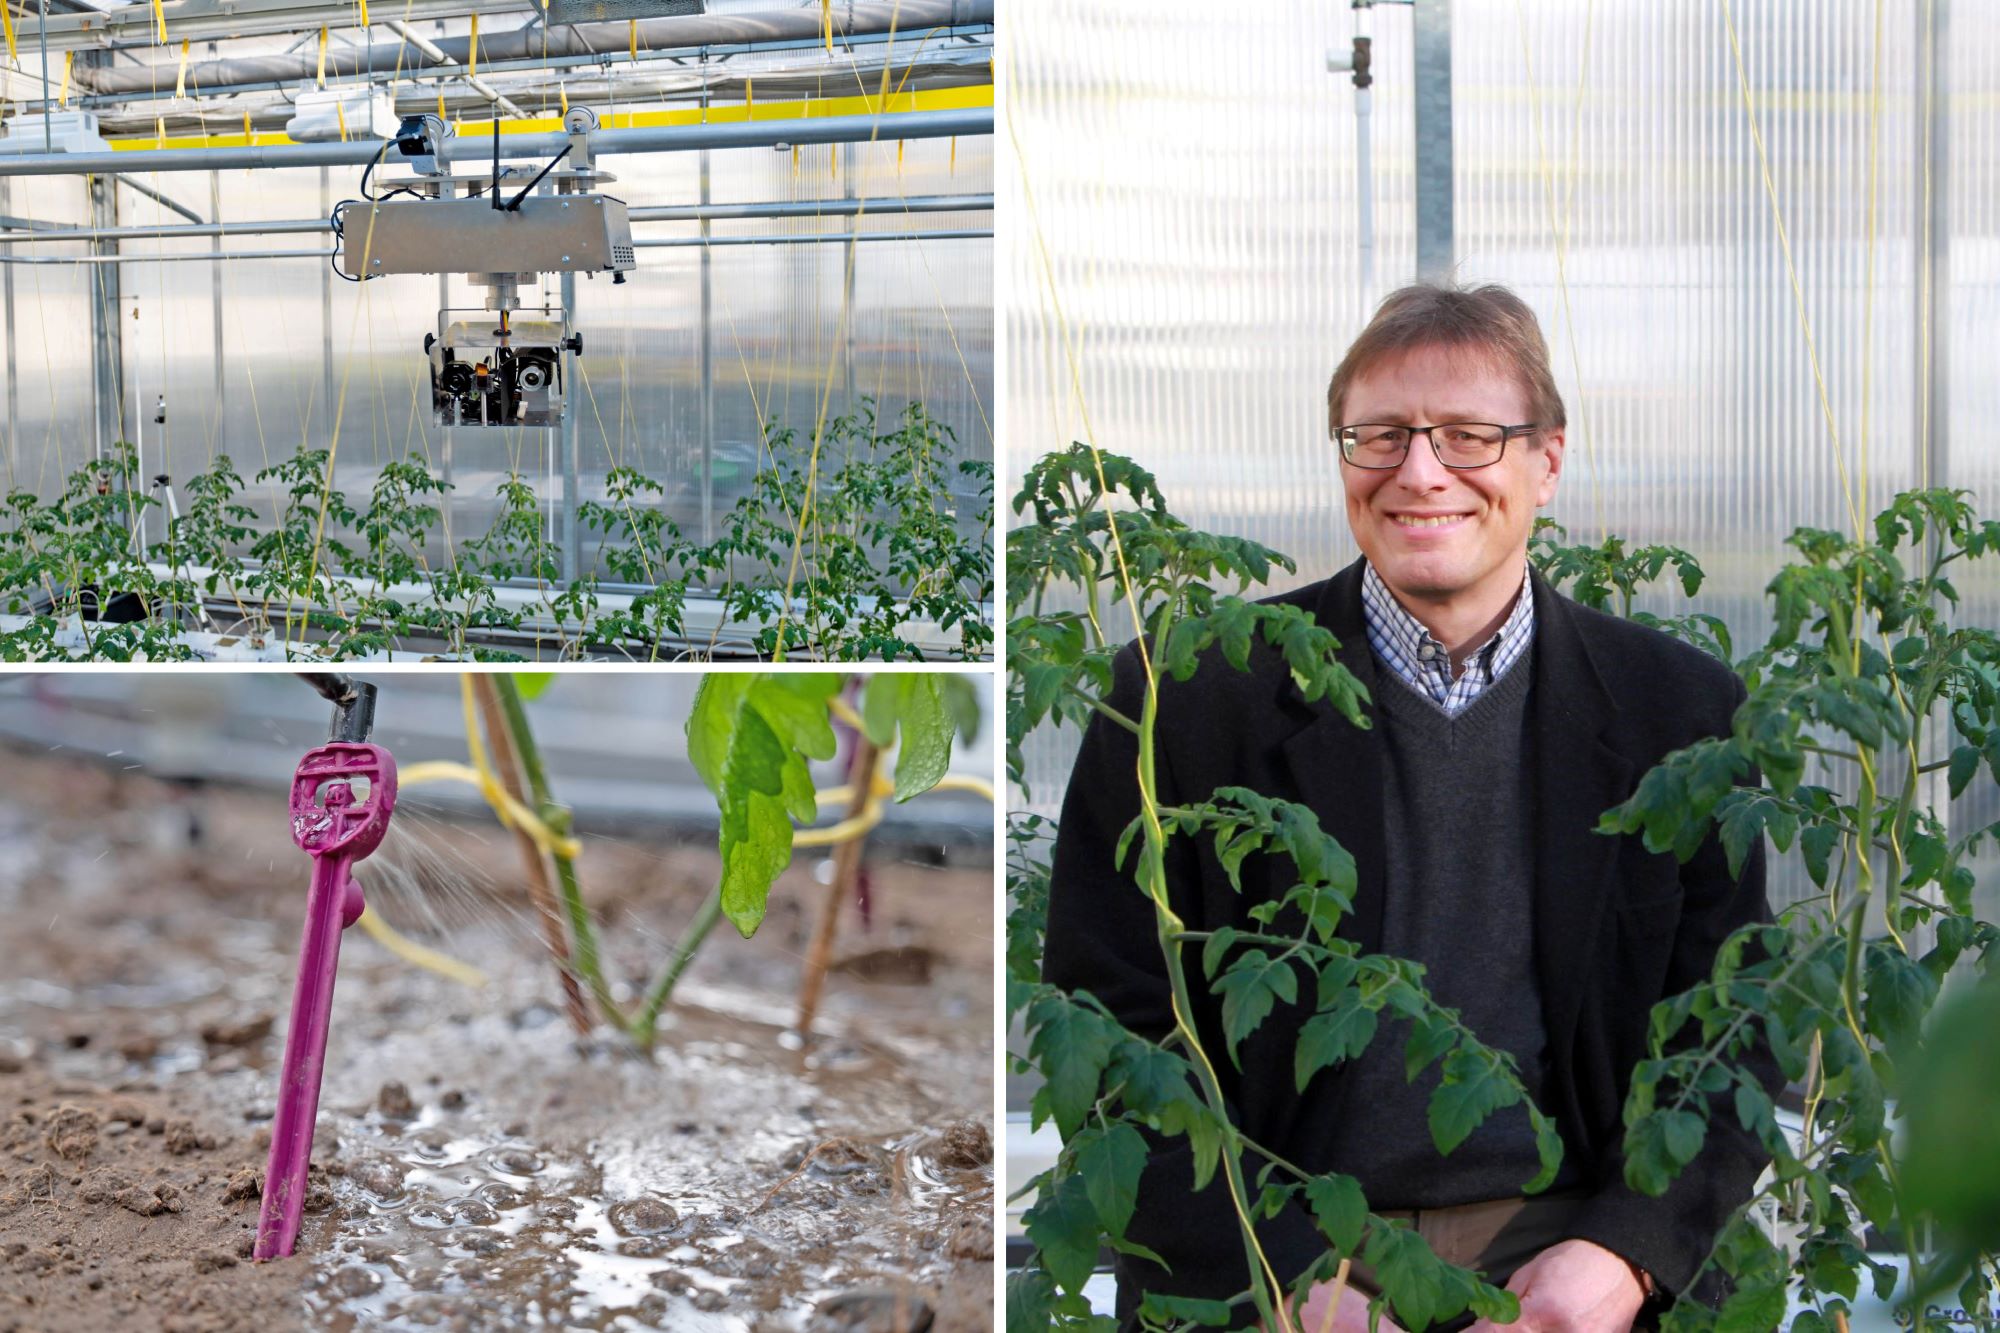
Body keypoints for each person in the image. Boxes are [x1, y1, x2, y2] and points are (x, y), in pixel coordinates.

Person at [1041, 282, 1779, 1333]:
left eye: (1470, 436)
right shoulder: (1187, 698)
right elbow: (1107, 1024)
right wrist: (1281, 1281)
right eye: (1379, 435)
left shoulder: (1679, 712)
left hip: (1563, 1254)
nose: (1420, 472)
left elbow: (1734, 1023)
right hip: (1285, 1251)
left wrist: (1624, 1255)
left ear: (1546, 461)